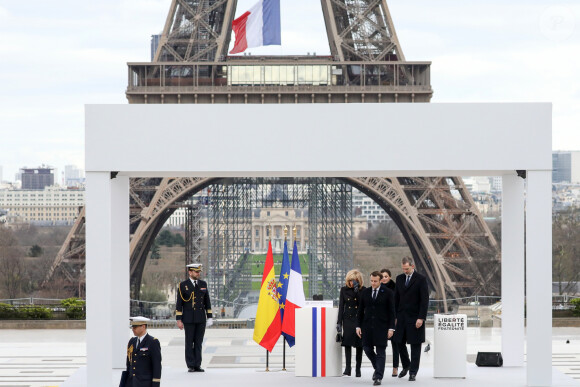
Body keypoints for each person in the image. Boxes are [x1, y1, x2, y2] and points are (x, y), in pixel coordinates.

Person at [356, 271, 395, 386]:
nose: (373, 283)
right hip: (367, 326)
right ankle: (378, 367)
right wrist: (358, 326)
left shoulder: (388, 293)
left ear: (380, 280)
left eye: (375, 281)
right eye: (371, 281)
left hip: (382, 327)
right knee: (367, 349)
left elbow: (392, 312)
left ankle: (378, 376)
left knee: (381, 352)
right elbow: (360, 311)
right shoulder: (365, 292)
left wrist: (391, 328)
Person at [393, 257, 429, 382]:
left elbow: (424, 301)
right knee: (398, 342)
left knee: (415, 346)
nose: (405, 271)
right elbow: (396, 299)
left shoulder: (421, 279)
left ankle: (413, 372)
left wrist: (421, 318)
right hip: (401, 318)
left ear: (412, 266)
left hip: (415, 318)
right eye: (403, 269)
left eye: (407, 269)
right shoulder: (399, 278)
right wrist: (395, 316)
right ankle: (407, 364)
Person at [175, 263, 213, 372]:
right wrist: (179, 320)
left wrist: (209, 316)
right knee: (189, 342)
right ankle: (190, 365)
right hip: (188, 318)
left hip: (200, 318)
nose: (198, 273)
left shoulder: (203, 284)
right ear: (190, 272)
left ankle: (197, 364)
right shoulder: (183, 285)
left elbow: (207, 302)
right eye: (196, 272)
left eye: (199, 272)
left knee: (198, 342)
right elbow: (179, 304)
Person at [337, 269, 365, 377]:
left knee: (359, 344)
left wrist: (357, 292)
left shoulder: (363, 290)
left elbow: (362, 304)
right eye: (350, 280)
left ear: (358, 281)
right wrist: (339, 322)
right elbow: (341, 306)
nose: (351, 283)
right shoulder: (344, 290)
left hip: (359, 319)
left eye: (354, 281)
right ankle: (348, 368)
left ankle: (358, 368)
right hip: (347, 319)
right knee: (347, 343)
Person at [122, 316, 162, 387]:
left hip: (145, 383)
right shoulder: (132, 341)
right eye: (132, 327)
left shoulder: (153, 342)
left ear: (143, 327)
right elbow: (129, 363)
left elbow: (157, 365)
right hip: (131, 382)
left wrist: (155, 384)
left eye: (135, 327)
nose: (133, 329)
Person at [380, 268, 399, 378]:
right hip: (382, 320)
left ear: (390, 277)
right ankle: (379, 368)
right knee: (381, 345)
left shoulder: (396, 288)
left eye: (386, 276)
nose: (384, 279)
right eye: (382, 277)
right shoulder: (377, 288)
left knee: (395, 345)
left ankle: (395, 368)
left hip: (393, 319)